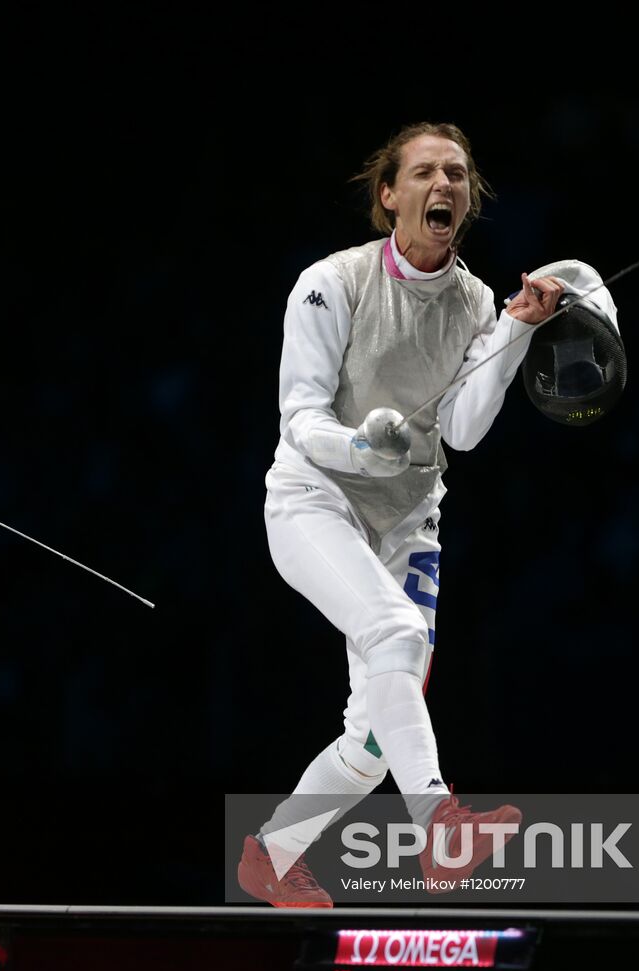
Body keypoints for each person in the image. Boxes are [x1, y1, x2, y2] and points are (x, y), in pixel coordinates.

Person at [237, 123, 563, 907]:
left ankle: (273, 856)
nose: (441, 184)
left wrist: (515, 330)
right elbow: (299, 416)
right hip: (315, 499)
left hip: (409, 518)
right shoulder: (331, 282)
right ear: (389, 196)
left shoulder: (478, 301)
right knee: (397, 636)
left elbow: (461, 431)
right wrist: (362, 448)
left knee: (378, 734)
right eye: (422, 173)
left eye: (455, 173)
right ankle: (439, 826)